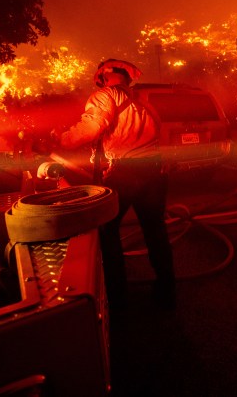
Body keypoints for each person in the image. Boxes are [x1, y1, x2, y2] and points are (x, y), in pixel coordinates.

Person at [52, 58, 176, 311]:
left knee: (107, 231)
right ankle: (167, 291)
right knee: (155, 231)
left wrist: (61, 140)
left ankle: (117, 297)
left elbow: (91, 128)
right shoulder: (144, 103)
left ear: (104, 76)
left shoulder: (105, 96)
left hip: (127, 172)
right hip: (153, 171)